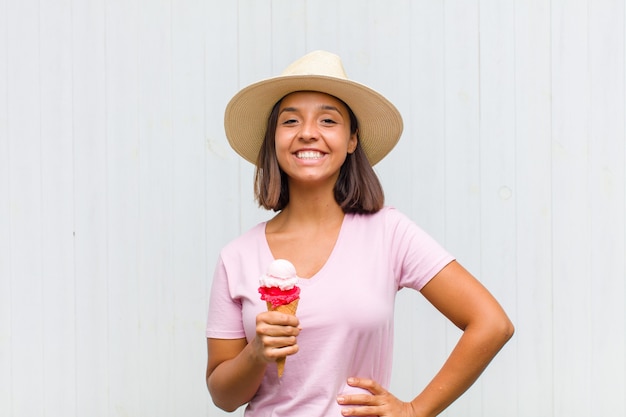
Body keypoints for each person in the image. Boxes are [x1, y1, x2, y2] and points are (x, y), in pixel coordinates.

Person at [205, 50, 514, 417]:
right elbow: (223, 397)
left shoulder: (389, 232)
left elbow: (492, 324)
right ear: (274, 139)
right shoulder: (237, 256)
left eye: (328, 120)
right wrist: (257, 352)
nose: (307, 133)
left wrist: (415, 411)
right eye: (290, 121)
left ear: (352, 140)